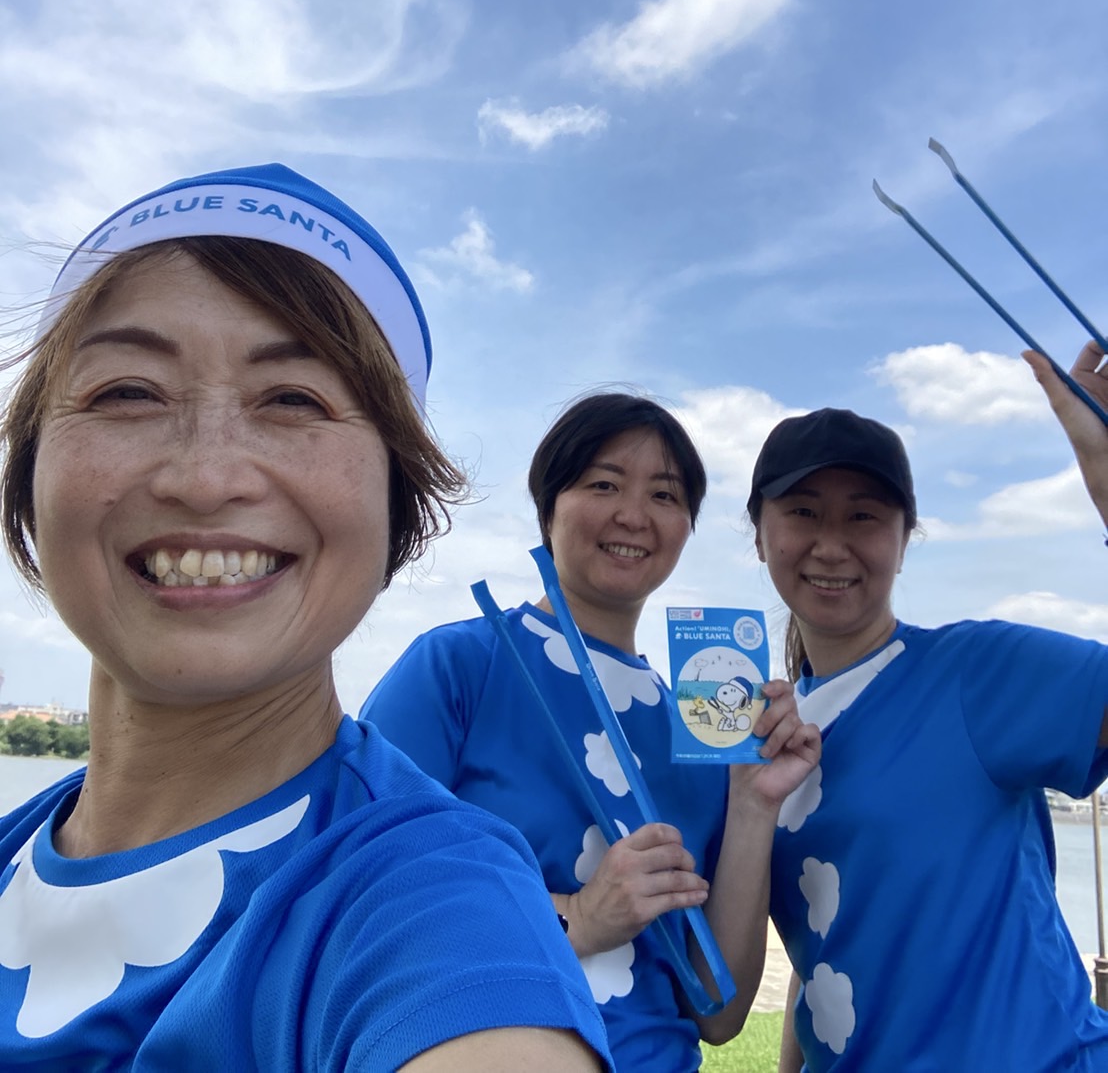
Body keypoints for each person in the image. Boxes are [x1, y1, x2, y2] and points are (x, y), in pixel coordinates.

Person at [0, 164, 613, 1072]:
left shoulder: (433, 903)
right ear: (29, 469)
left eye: (295, 400)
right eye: (128, 391)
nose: (206, 477)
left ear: (397, 503)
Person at [363, 392, 822, 1071]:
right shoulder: (461, 664)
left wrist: (754, 802)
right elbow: (363, 888)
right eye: (604, 484)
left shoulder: (701, 731)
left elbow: (719, 1014)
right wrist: (576, 918)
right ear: (549, 506)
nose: (633, 515)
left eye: (664, 495)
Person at [748, 344, 1108, 1073]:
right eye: (804, 511)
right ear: (759, 533)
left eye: (864, 516)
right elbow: (821, 949)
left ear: (905, 539)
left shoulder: (975, 671)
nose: (831, 545)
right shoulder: (768, 736)